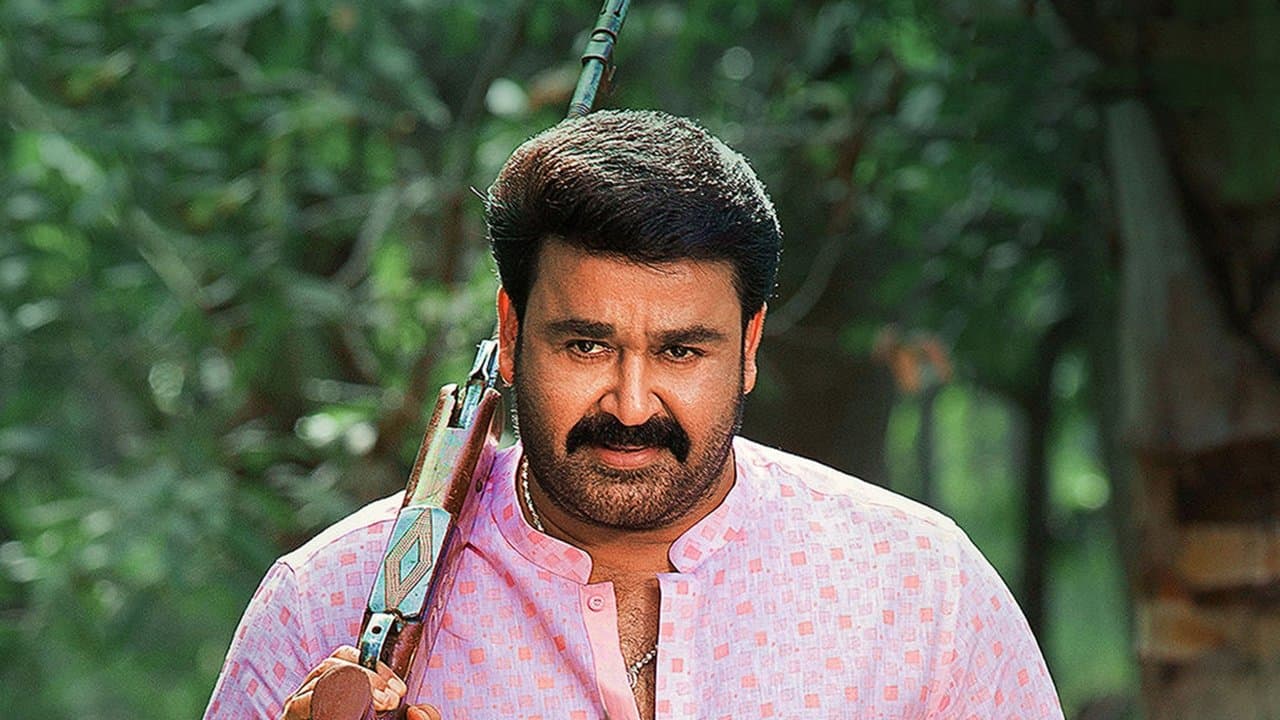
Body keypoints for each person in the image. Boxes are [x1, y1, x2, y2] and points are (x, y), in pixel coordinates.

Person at [205, 110, 1063, 720]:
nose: (630, 402)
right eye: (586, 345)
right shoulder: (324, 602)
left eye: (682, 351)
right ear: (511, 334)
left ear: (749, 345)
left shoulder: (920, 588)